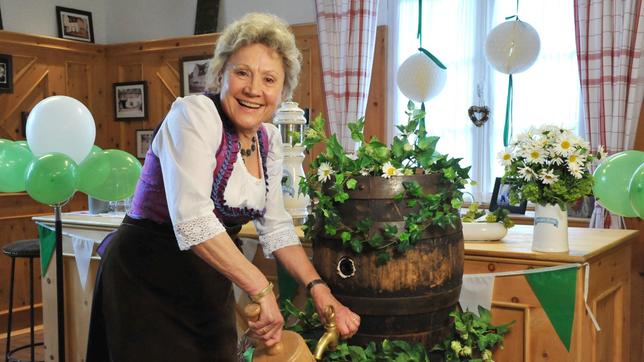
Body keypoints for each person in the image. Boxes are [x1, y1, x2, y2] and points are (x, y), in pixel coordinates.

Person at [86, 12, 360, 362]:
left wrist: (318, 288)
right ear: (221, 75)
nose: (254, 89)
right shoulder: (194, 116)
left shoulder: (268, 140)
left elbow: (275, 227)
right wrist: (261, 288)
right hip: (145, 276)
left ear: (282, 91)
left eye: (269, 79)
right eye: (242, 72)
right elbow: (194, 221)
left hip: (206, 281)